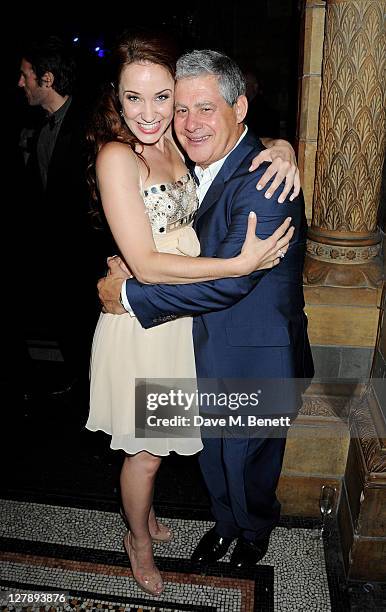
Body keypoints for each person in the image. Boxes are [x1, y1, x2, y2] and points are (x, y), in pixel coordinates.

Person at [86, 32, 299, 596]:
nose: (165, 115)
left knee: (241, 453)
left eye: (172, 101)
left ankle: (244, 531)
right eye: (141, 99)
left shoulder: (191, 151)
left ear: (239, 108)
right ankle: (139, 539)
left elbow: (236, 165)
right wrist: (235, 265)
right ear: (118, 99)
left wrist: (283, 146)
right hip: (150, 330)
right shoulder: (121, 154)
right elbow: (150, 261)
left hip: (211, 331)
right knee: (150, 452)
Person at [18, 36, 99, 397]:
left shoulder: (89, 124)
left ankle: (97, 395)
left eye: (26, 75)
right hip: (56, 255)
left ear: (46, 79)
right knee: (68, 326)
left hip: (87, 256)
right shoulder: (41, 130)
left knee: (90, 329)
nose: (20, 83)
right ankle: (81, 387)